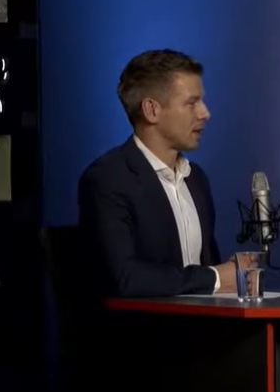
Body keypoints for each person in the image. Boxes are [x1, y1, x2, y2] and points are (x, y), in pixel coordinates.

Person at [78, 49, 247, 298]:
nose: (205, 113)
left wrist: (233, 275)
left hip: (207, 321)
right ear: (152, 110)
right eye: (191, 103)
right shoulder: (107, 179)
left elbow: (208, 274)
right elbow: (125, 278)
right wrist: (215, 277)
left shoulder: (196, 179)